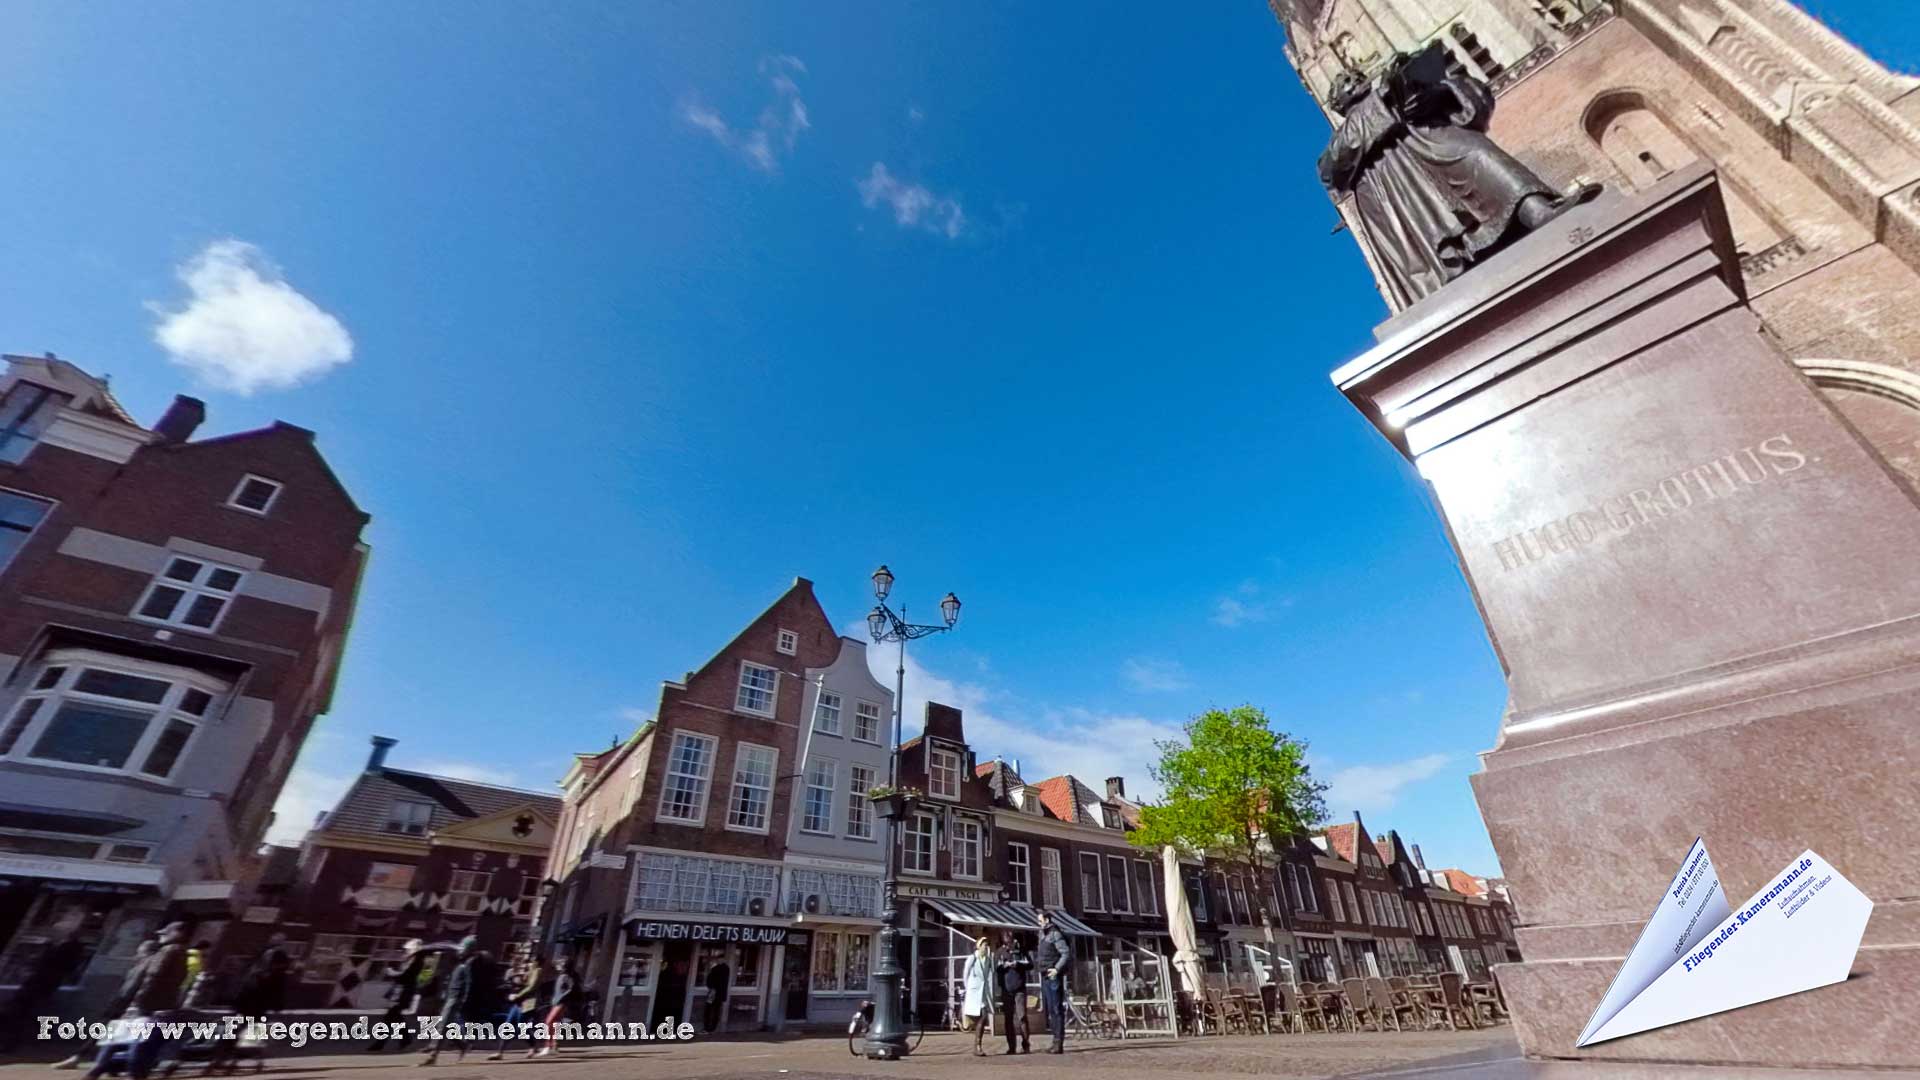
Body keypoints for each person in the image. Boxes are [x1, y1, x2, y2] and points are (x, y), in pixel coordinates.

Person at [91, 922, 188, 1080]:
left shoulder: (167, 951)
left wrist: (138, 1000)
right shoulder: (182, 953)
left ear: (176, 933)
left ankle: (112, 1071)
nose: (161, 937)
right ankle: (107, 1070)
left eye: (164, 934)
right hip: (163, 1005)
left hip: (148, 1004)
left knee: (133, 1040)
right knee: (137, 1040)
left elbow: (152, 976)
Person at [0, 916, 89, 1052]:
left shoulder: (70, 947)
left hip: (44, 983)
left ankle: (11, 1042)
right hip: (35, 982)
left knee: (18, 1012)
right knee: (16, 1010)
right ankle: (10, 1039)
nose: (53, 933)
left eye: (57, 931)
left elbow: (62, 965)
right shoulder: (53, 945)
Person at [420, 938, 496, 1066]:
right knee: (445, 1026)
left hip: (456, 999)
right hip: (451, 997)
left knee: (443, 1026)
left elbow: (469, 982)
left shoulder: (470, 963)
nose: (460, 951)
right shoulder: (463, 962)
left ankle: (433, 1055)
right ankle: (462, 1045)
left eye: (463, 949)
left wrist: (465, 999)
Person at [369, 940, 428, 1052]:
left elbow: (404, 975)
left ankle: (380, 1043)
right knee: (395, 1018)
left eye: (407, 949)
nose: (405, 951)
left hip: (403, 992)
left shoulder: (415, 961)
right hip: (401, 992)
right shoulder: (412, 960)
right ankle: (404, 1040)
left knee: (390, 1017)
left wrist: (391, 972)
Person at [486, 958, 547, 1060]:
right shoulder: (527, 971)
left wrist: (517, 995)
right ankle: (499, 1052)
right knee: (508, 1024)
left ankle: (532, 1045)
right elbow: (519, 984)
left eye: (531, 962)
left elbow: (531, 987)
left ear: (536, 962)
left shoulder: (538, 971)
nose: (529, 964)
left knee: (521, 1027)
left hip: (528, 1003)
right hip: (518, 1003)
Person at [1035, 911, 1071, 1055]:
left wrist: (1056, 969)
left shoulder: (1055, 934)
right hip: (1044, 975)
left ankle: (1058, 1042)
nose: (1038, 923)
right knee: (1050, 1009)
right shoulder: (1042, 934)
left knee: (1056, 1009)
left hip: (1052, 976)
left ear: (1047, 920)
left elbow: (1065, 953)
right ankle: (1054, 1041)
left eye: (1040, 920)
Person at [994, 931, 1033, 1055]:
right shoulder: (999, 952)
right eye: (1006, 938)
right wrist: (1003, 966)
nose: (1009, 940)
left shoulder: (1020, 950)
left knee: (1022, 1016)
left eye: (1010, 938)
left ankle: (1025, 1045)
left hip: (1019, 988)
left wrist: (1018, 964)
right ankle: (1011, 1047)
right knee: (1008, 1018)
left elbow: (1030, 965)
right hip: (1006, 989)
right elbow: (995, 968)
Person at [960, 936, 993, 1056]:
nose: (986, 946)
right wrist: (967, 987)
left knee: (983, 1016)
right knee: (981, 1017)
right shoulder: (972, 958)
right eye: (984, 944)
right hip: (974, 992)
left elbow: (990, 975)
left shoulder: (988, 959)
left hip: (983, 993)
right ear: (979, 946)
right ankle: (977, 1045)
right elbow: (966, 973)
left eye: (987, 944)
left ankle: (977, 1045)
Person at [537, 955, 575, 1057]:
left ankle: (547, 1047)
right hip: (556, 1002)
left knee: (548, 1021)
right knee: (555, 1023)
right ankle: (554, 1045)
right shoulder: (561, 976)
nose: (557, 966)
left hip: (561, 1003)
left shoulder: (566, 977)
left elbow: (570, 989)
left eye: (559, 964)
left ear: (564, 965)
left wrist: (561, 997)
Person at [701, 958, 730, 1034]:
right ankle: (713, 1028)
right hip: (720, 994)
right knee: (716, 1011)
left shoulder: (716, 969)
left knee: (708, 1010)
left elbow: (710, 981)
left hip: (713, 992)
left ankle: (707, 1028)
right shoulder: (726, 969)